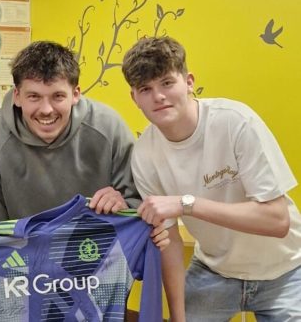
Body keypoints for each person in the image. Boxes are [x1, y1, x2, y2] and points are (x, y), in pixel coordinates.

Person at [122, 36, 301, 321]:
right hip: (214, 271)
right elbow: (170, 241)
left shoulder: (235, 122)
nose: (158, 96)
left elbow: (277, 221)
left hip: (287, 271)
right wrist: (178, 318)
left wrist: (187, 204)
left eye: (167, 83)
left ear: (189, 81)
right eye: (146, 89)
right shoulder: (144, 155)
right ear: (134, 98)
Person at [0, 40, 141, 223]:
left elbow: (140, 205)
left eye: (58, 96)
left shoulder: (109, 127)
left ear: (75, 94)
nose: (46, 109)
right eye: (34, 96)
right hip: (19, 249)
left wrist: (123, 205)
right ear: (17, 96)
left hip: (97, 246)